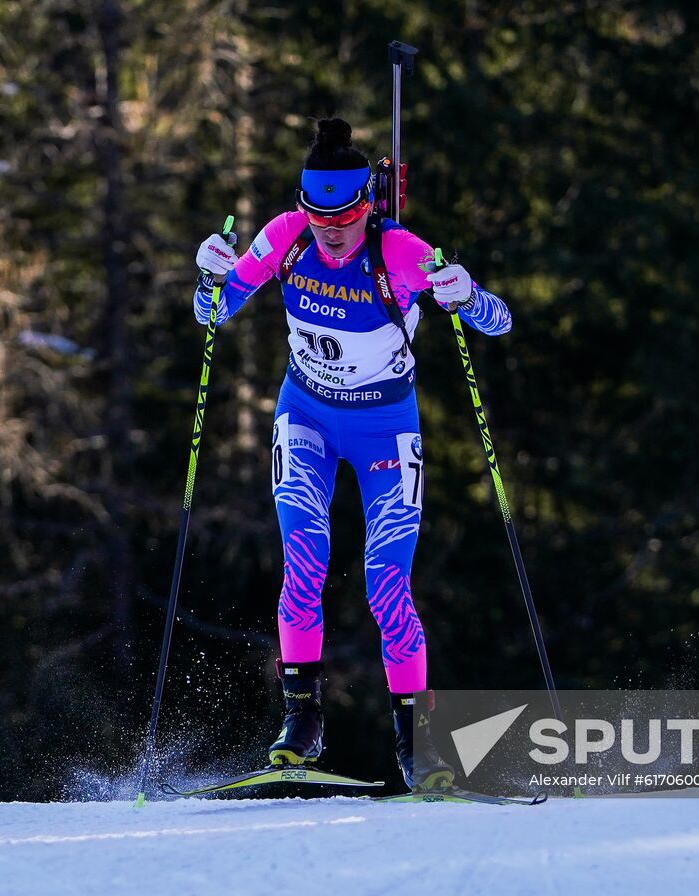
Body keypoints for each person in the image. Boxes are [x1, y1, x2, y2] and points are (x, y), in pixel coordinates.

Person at [192, 117, 512, 790]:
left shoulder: (401, 252)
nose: (329, 231)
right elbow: (215, 312)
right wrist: (209, 277)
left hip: (384, 430)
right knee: (303, 558)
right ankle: (301, 725)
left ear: (367, 207)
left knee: (387, 586)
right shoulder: (283, 238)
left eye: (342, 217)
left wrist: (467, 294)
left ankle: (415, 744)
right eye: (317, 216)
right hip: (305, 415)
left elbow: (498, 320)